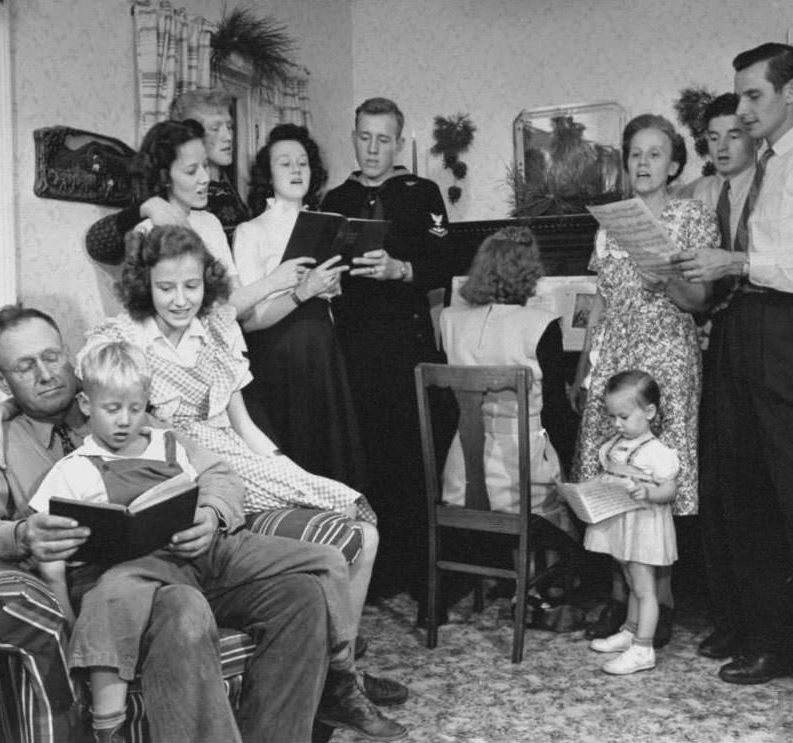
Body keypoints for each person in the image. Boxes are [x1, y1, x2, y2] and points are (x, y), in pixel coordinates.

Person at [0, 305, 385, 743]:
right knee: (184, 608)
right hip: (114, 588)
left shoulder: (121, 408)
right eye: (25, 366)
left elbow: (218, 474)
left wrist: (210, 516)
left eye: (52, 357)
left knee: (301, 595)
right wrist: (21, 534)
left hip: (190, 558)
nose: (46, 374)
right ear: (1, 380)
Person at [84, 223, 408, 714]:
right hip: (181, 467)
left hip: (236, 455)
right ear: (144, 285)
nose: (179, 300)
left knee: (361, 520)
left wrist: (288, 471)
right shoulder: (123, 337)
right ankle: (341, 680)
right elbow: (79, 392)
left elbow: (242, 424)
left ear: (205, 284)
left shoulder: (216, 326)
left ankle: (340, 674)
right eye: (165, 287)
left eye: (191, 286)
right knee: (355, 524)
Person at [672, 42, 793, 726]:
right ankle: (774, 644)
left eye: (753, 95)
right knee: (748, 501)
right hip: (740, 333)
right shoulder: (760, 169)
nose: (744, 108)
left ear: (790, 92)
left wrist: (738, 259)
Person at [570, 114, 715, 647]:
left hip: (667, 357)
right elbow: (602, 300)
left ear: (674, 163)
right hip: (615, 357)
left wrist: (670, 278)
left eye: (655, 154)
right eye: (635, 153)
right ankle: (620, 600)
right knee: (611, 473)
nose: (644, 163)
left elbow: (701, 303)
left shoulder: (692, 217)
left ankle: (662, 604)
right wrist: (585, 367)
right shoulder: (609, 224)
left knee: (657, 477)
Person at [320, 97, 451, 600]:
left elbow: (444, 265)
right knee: (360, 460)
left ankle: (419, 574)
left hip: (407, 347)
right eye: (364, 137)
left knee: (412, 460)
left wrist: (402, 270)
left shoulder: (424, 193)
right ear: (353, 137)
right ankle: (369, 576)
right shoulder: (334, 198)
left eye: (383, 139)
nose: (372, 149)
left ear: (399, 142)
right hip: (350, 348)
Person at [439, 226, 581, 621]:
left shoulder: (449, 320)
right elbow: (554, 412)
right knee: (565, 483)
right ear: (530, 273)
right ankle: (541, 590)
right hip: (520, 480)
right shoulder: (540, 324)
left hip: (461, 477)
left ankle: (522, 582)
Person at [234, 124, 365, 491]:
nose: (296, 170)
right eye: (285, 163)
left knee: (332, 463)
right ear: (268, 175)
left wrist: (329, 288)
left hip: (323, 353)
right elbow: (248, 321)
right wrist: (304, 292)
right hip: (278, 358)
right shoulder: (250, 231)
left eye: (303, 163)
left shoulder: (327, 225)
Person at [680, 92, 757, 662]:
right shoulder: (701, 195)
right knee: (717, 488)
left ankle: (764, 627)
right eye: (713, 137)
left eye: (734, 134)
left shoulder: (776, 186)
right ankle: (727, 619)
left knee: (757, 491)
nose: (723, 146)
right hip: (714, 353)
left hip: (768, 348)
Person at [118, 119, 310, 318]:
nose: (205, 178)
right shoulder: (147, 231)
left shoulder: (209, 222)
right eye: (192, 171)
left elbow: (237, 307)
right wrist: (273, 282)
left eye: (205, 166)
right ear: (165, 177)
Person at [86, 88, 250, 264]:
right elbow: (99, 245)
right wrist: (144, 208)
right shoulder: (165, 192)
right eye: (215, 128)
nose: (228, 136)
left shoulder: (228, 186)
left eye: (230, 126)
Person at [585, 370, 679, 675]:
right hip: (623, 524)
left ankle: (643, 648)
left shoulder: (658, 453)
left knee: (644, 588)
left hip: (644, 525)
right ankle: (630, 630)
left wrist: (649, 492)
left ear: (649, 412)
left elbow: (670, 489)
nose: (617, 424)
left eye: (624, 417)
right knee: (629, 580)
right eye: (613, 417)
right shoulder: (613, 446)